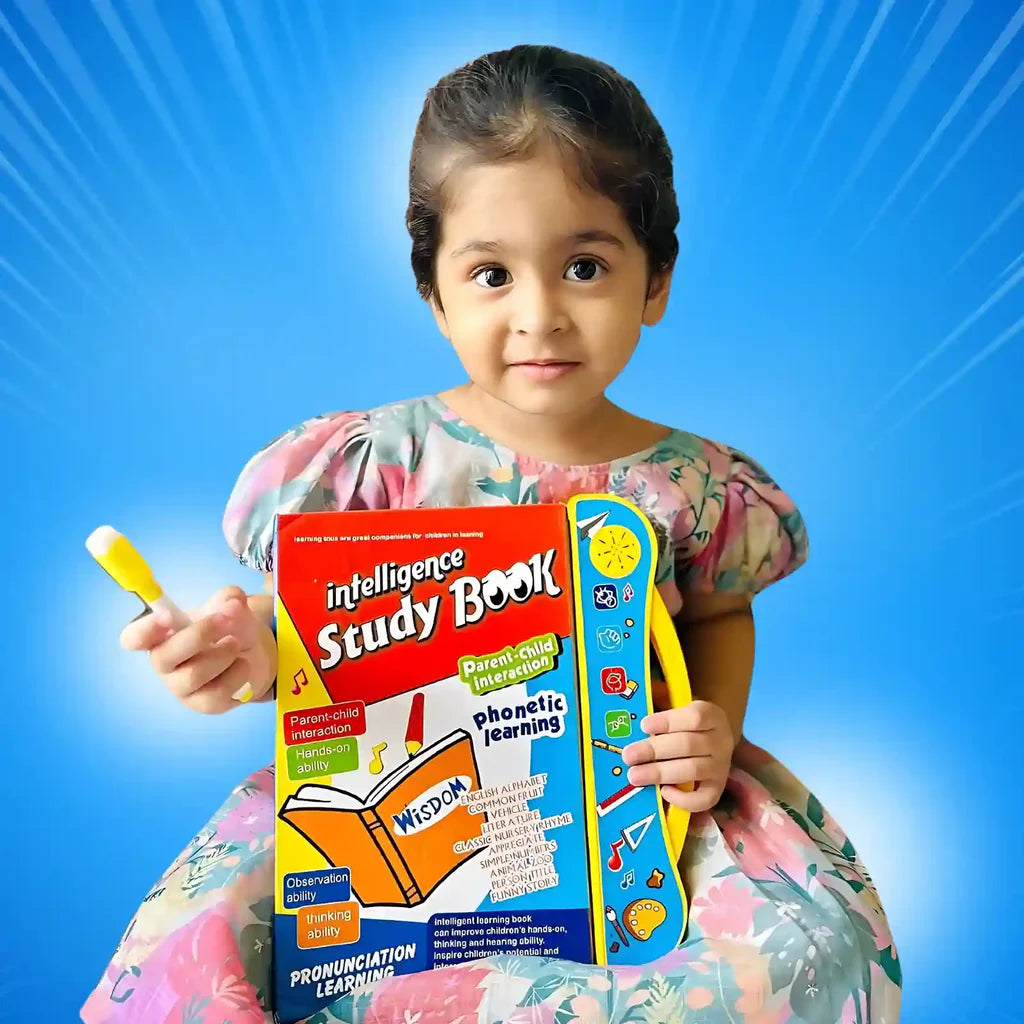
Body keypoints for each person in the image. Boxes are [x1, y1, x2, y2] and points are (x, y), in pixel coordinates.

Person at [82, 44, 901, 1024]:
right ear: (432, 290)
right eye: (490, 274)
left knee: (797, 953)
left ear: (656, 281)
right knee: (207, 945)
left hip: (633, 811)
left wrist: (710, 733)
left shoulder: (691, 484)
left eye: (584, 266)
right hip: (398, 812)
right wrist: (239, 650)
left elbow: (717, 615)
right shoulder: (374, 465)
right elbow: (310, 627)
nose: (540, 315)